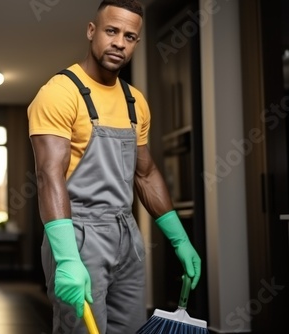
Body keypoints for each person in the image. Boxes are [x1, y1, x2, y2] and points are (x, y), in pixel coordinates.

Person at [27, 0, 202, 332]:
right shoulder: (59, 92)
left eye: (130, 36)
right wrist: (65, 257)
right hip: (77, 233)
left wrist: (179, 239)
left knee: (131, 327)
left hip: (126, 236)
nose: (120, 42)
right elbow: (48, 175)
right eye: (111, 31)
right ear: (92, 32)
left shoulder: (135, 101)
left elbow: (145, 173)